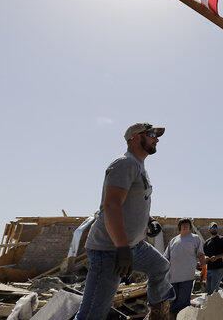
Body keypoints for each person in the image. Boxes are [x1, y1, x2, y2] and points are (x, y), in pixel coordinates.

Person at [75, 123, 174, 320]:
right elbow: (112, 206)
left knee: (160, 266)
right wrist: (121, 248)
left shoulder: (139, 166)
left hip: (133, 246)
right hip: (109, 249)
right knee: (92, 314)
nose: (157, 139)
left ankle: (157, 313)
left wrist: (150, 220)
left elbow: (133, 203)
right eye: (152, 134)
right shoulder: (125, 164)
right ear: (136, 137)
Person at [164, 218, 206, 316]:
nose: (185, 226)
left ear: (190, 227)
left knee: (183, 304)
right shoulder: (174, 240)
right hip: (173, 278)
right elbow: (165, 258)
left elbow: (200, 254)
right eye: (183, 225)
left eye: (187, 224)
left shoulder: (195, 238)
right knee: (173, 305)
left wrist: (204, 268)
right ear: (179, 227)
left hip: (187, 277)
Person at [203, 222, 223, 294]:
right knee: (208, 290)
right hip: (209, 269)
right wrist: (206, 258)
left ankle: (214, 304)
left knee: (213, 291)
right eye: (212, 228)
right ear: (209, 229)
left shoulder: (222, 239)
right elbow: (203, 255)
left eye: (215, 228)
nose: (214, 229)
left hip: (218, 268)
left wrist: (217, 257)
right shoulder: (207, 242)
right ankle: (211, 304)